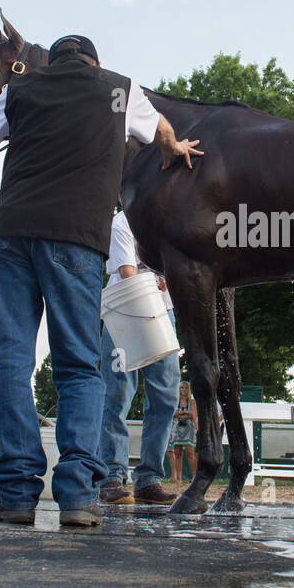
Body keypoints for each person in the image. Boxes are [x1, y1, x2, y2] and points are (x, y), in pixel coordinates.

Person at [0, 32, 201, 528]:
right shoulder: (119, 89)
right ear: (96, 61)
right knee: (79, 366)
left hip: (9, 236)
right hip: (75, 239)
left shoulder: (22, 87)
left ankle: (19, 495)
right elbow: (162, 132)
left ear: (53, 59)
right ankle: (76, 496)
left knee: (9, 363)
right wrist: (177, 147)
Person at [97, 210, 180, 505]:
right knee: (117, 393)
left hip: (161, 311)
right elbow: (128, 272)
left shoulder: (168, 221)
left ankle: (148, 479)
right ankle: (111, 476)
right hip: (125, 307)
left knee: (166, 394)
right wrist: (159, 279)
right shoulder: (123, 221)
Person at [168, 381, 198, 483]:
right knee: (177, 452)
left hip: (189, 428)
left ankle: (194, 477)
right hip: (177, 427)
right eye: (182, 388)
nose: (183, 390)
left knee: (190, 452)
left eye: (185, 388)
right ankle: (179, 478)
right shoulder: (176, 401)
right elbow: (173, 413)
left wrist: (181, 414)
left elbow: (193, 415)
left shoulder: (192, 401)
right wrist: (184, 413)